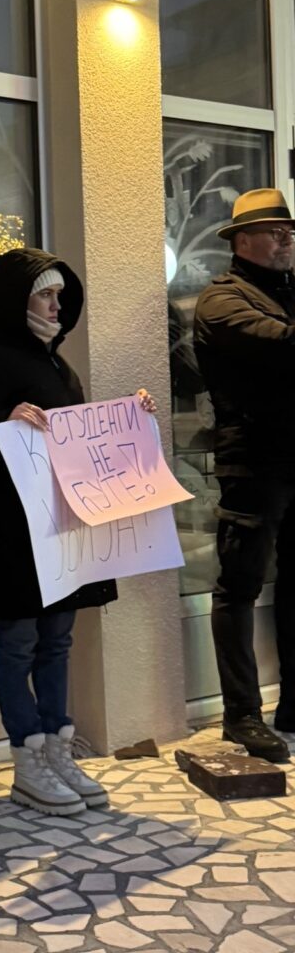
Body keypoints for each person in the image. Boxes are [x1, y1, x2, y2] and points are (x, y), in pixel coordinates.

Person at [0, 248, 156, 814]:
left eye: (59, 295)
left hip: (64, 523)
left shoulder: (59, 367)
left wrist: (133, 418)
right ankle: (28, 757)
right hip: (17, 528)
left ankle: (58, 748)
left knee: (59, 639)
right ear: (16, 300)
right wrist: (5, 424)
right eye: (44, 294)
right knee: (18, 641)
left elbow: (82, 440)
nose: (55, 304)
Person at [194, 188, 295, 763]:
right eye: (274, 230)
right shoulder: (221, 301)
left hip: (294, 458)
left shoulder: (287, 291)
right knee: (239, 585)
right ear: (241, 241)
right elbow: (282, 347)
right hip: (253, 464)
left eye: (289, 230)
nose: (285, 239)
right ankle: (241, 714)